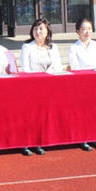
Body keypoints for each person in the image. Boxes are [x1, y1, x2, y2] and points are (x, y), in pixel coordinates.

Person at [19, 18, 62, 156]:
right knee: (31, 116)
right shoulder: (27, 47)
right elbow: (25, 69)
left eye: (41, 29)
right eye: (35, 29)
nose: (38, 32)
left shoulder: (53, 47)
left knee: (45, 116)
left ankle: (40, 142)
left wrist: (48, 79)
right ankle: (27, 143)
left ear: (47, 31)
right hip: (32, 86)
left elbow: (58, 67)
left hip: (50, 86)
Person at [67, 17, 96, 151]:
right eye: (84, 29)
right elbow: (75, 67)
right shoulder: (73, 48)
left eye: (89, 29)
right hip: (81, 84)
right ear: (77, 31)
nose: (87, 32)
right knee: (83, 113)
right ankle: (83, 138)